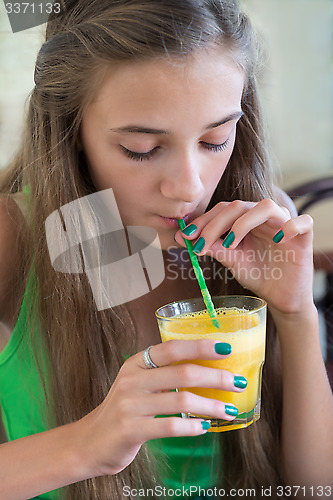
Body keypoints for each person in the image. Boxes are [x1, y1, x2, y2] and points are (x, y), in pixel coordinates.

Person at [0, 0, 332, 499]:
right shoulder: (14, 238)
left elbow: (316, 488)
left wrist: (297, 313)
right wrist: (88, 444)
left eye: (216, 139)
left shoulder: (261, 229)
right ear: (70, 130)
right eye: (142, 148)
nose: (188, 187)